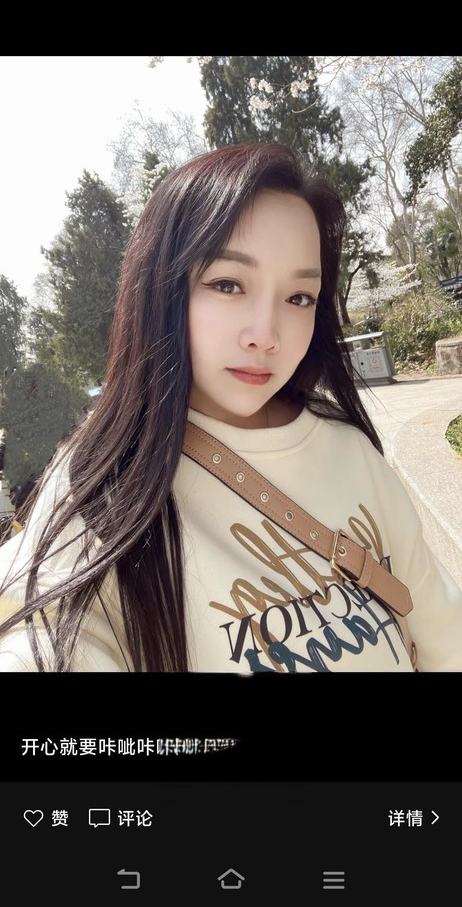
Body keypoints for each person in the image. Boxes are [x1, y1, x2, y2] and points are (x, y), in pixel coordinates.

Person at [0, 141, 461, 673]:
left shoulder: (348, 449)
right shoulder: (101, 488)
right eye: (228, 284)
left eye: (299, 297)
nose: (266, 335)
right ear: (161, 290)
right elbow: (46, 638)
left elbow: (443, 633)